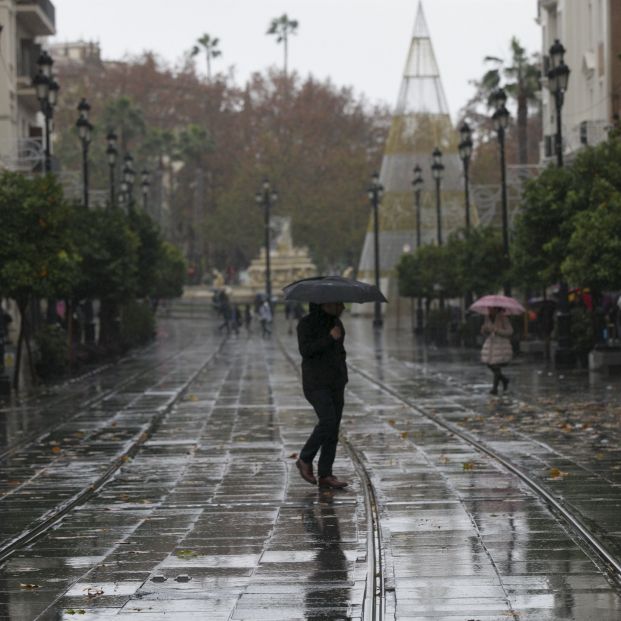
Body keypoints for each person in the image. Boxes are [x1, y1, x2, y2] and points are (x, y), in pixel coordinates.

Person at [295, 302, 349, 489]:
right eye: (339, 303)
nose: (342, 306)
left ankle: (325, 474)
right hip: (316, 383)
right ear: (326, 303)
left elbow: (340, 352)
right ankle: (305, 458)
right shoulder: (306, 324)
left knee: (333, 428)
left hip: (336, 383)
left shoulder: (337, 323)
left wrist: (343, 376)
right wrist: (329, 338)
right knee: (327, 421)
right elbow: (306, 351)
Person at [481, 306, 513, 395]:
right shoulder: (487, 317)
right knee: (489, 364)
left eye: (491, 308)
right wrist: (484, 330)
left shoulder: (503, 317)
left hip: (500, 345)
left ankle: (494, 388)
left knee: (496, 366)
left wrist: (497, 330)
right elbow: (486, 332)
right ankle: (504, 380)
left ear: (496, 309)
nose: (489, 310)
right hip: (491, 345)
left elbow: (510, 331)